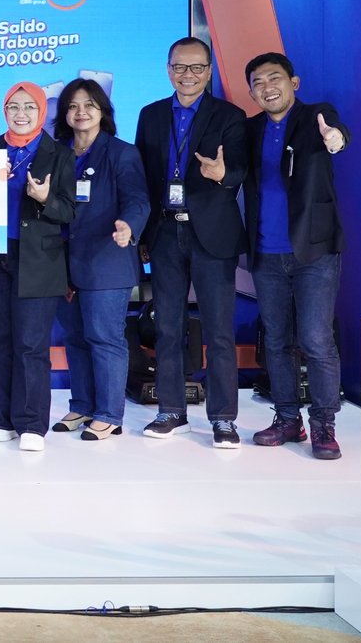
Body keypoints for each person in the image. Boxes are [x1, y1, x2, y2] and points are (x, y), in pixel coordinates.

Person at [133, 36, 249, 449]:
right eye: (180, 67)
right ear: (168, 70)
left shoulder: (229, 115)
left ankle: (223, 418)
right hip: (165, 233)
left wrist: (222, 174)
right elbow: (142, 178)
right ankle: (171, 410)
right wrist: (143, 233)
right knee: (167, 327)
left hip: (212, 234)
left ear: (209, 71)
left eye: (197, 67)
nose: (188, 75)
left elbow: (241, 168)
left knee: (218, 331)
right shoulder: (150, 115)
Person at [243, 52, 351, 461]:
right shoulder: (250, 128)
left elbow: (337, 134)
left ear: (294, 82)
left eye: (274, 78)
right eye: (258, 82)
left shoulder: (316, 116)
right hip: (265, 252)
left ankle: (324, 424)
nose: (267, 87)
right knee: (276, 341)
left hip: (314, 252)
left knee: (316, 339)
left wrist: (336, 139)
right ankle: (288, 419)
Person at [0, 81, 76, 452]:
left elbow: (69, 211)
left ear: (42, 111)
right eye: (14, 106)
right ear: (4, 111)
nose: (21, 113)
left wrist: (45, 199)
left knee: (31, 346)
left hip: (38, 262)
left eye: (29, 106)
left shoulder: (59, 154)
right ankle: (5, 420)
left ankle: (32, 423)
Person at [52, 78, 149, 442]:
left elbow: (138, 199)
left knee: (104, 337)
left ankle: (109, 414)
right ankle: (82, 405)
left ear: (102, 111)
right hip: (63, 262)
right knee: (75, 337)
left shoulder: (121, 153)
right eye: (73, 106)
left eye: (89, 105)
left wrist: (129, 226)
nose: (81, 112)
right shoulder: (57, 152)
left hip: (107, 260)